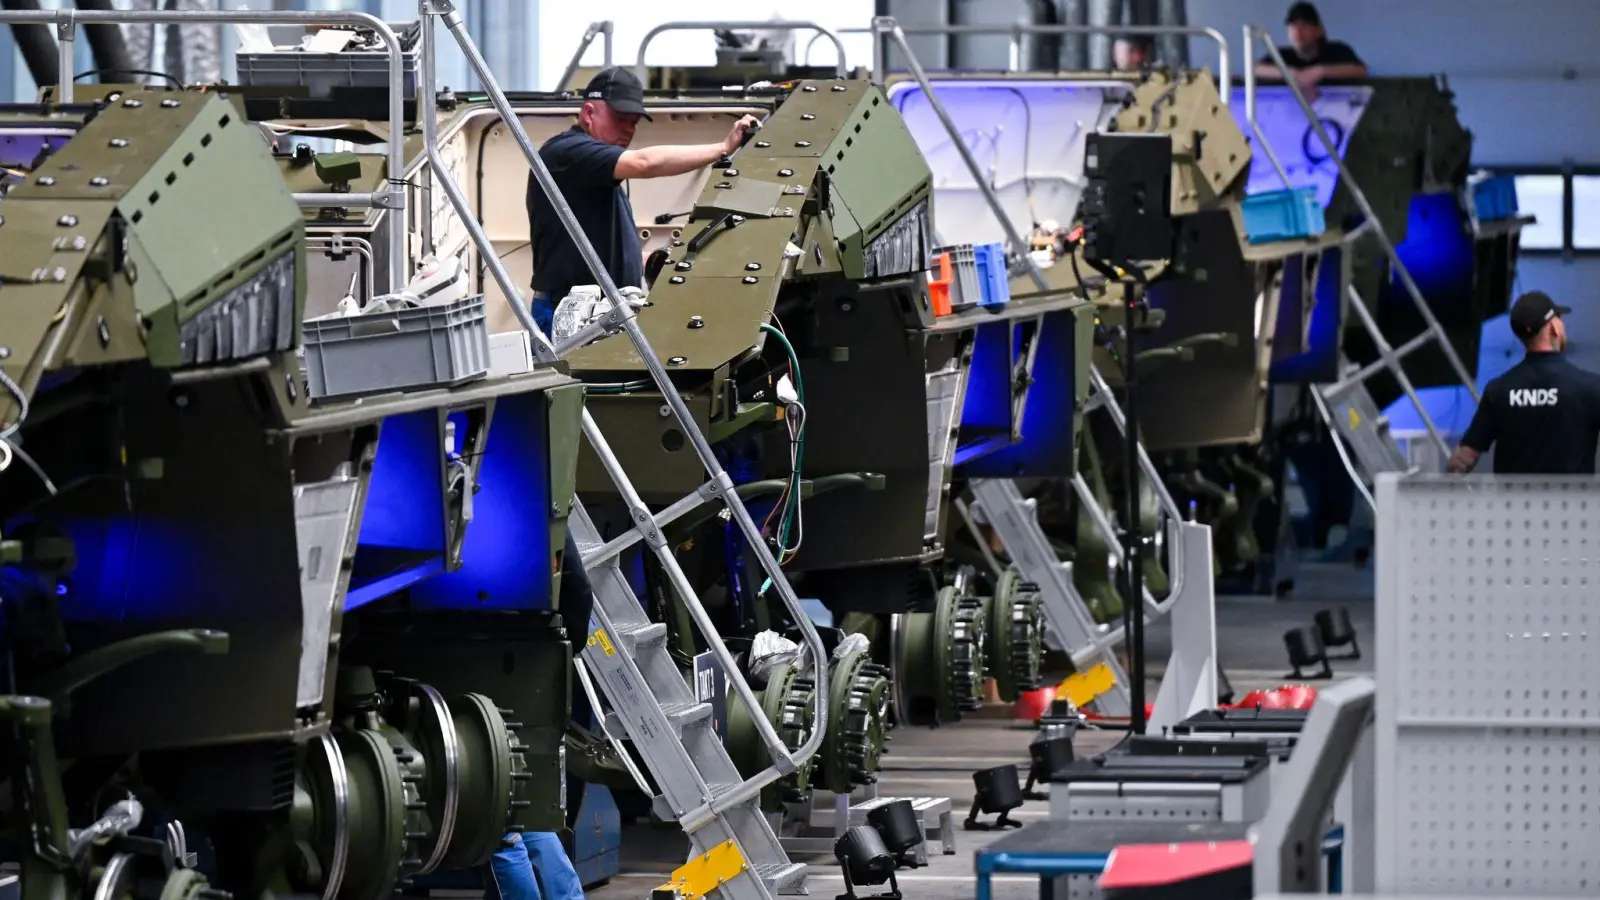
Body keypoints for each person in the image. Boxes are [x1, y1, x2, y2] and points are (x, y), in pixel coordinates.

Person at [525, 66, 761, 335]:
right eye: (620, 117)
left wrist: (644, 259)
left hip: (603, 314)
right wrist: (722, 148)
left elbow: (597, 238)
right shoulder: (566, 152)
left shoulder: (595, 171)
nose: (629, 128)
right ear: (589, 112)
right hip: (567, 316)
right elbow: (644, 163)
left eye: (634, 121)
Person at [1448, 291, 1600, 475]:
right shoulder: (1590, 387)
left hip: (1515, 503)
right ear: (1554, 327)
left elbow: (1464, 459)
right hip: (1574, 503)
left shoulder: (1499, 391)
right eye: (1560, 319)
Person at [1253, 2, 1368, 94]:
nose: (1297, 31)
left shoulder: (1336, 50)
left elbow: (1360, 70)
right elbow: (1255, 69)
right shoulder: (1282, 54)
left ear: (1318, 30)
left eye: (1304, 25)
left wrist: (1321, 71)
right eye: (1293, 26)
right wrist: (1292, 73)